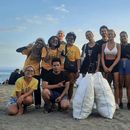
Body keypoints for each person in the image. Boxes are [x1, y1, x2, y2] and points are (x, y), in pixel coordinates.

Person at [16, 38, 46, 109]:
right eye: (37, 42)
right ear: (35, 43)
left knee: (36, 88)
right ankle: (24, 103)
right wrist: (27, 46)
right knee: (25, 88)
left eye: (41, 43)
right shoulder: (31, 49)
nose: (39, 44)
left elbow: (44, 57)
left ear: (42, 45)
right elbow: (18, 50)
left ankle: (37, 104)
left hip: (36, 72)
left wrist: (45, 47)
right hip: (26, 71)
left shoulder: (42, 50)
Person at [101, 29, 121, 109]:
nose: (110, 35)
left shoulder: (118, 45)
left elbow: (118, 57)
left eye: (111, 34)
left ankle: (116, 103)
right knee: (107, 85)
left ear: (114, 35)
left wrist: (112, 67)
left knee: (116, 85)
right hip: (106, 64)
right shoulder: (103, 45)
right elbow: (102, 57)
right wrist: (104, 67)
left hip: (115, 65)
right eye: (109, 34)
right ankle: (108, 102)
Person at [64, 32, 80, 100]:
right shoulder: (62, 47)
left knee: (71, 85)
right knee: (63, 85)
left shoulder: (76, 48)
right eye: (68, 38)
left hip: (72, 70)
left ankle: (69, 100)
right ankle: (62, 100)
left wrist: (78, 70)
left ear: (74, 40)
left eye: (72, 39)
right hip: (63, 69)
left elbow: (78, 60)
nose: (70, 39)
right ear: (66, 38)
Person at [119, 31, 130, 109]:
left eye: (124, 36)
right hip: (119, 65)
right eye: (121, 36)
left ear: (127, 37)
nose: (123, 37)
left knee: (128, 85)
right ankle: (120, 102)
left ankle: (129, 102)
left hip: (128, 64)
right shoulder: (118, 46)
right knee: (120, 85)